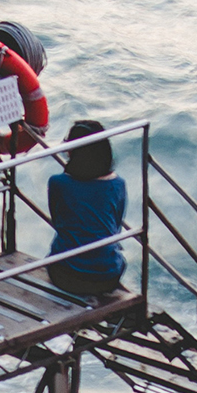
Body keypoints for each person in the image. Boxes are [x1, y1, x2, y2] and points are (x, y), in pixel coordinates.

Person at [47, 120, 127, 298]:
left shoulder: (58, 183)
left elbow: (58, 222)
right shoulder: (118, 184)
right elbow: (116, 225)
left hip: (65, 275)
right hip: (108, 276)